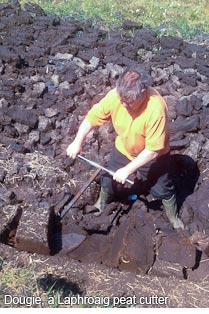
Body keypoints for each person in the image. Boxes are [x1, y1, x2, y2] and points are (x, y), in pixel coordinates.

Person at [66, 67, 184, 230]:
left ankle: (173, 217)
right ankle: (100, 205)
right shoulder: (116, 96)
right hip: (124, 148)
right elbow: (92, 118)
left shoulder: (156, 109)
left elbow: (152, 150)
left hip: (153, 157)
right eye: (121, 99)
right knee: (108, 179)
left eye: (128, 102)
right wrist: (77, 142)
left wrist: (128, 169)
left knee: (162, 189)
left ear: (143, 92)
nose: (123, 104)